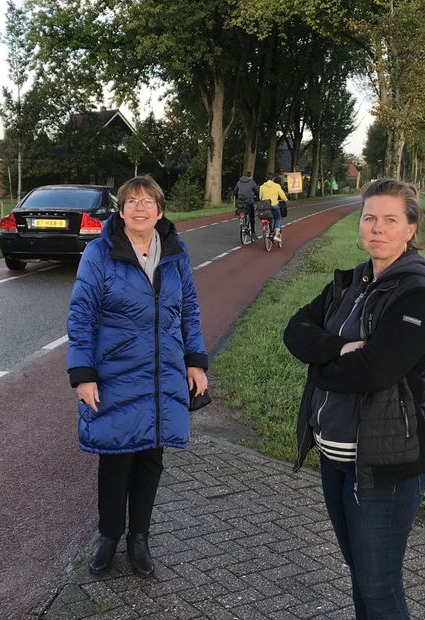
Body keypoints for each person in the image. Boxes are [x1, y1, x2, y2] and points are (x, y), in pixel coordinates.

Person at [283, 178, 425, 619]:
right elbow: (295, 329)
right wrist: (337, 349)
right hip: (335, 460)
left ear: (410, 229)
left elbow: (375, 371)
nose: (377, 228)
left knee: (379, 588)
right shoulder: (349, 283)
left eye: (390, 220)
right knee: (360, 580)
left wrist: (318, 364)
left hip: (383, 467)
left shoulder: (416, 296)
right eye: (369, 218)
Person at [67, 175, 209, 578]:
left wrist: (195, 361)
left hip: (164, 373)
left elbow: (191, 311)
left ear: (160, 210)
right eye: (132, 201)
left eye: (148, 201)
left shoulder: (177, 253)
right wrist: (83, 373)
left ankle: (139, 539)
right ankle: (109, 537)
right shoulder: (99, 253)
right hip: (115, 372)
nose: (140, 207)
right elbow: (82, 315)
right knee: (116, 457)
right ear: (122, 209)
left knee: (151, 457)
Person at [259, 174, 289, 243]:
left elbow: (260, 197)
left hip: (265, 206)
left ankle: (265, 229)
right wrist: (286, 200)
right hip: (274, 205)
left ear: (266, 178)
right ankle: (276, 234)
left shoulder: (262, 187)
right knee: (278, 218)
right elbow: (282, 195)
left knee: (266, 217)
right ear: (273, 179)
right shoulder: (277, 186)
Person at [233, 171, 260, 239]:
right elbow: (256, 191)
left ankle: (243, 223)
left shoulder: (239, 182)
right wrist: (258, 197)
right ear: (250, 176)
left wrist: (237, 196)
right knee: (251, 217)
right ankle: (253, 233)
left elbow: (235, 191)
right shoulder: (252, 182)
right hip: (249, 201)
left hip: (240, 202)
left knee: (242, 210)